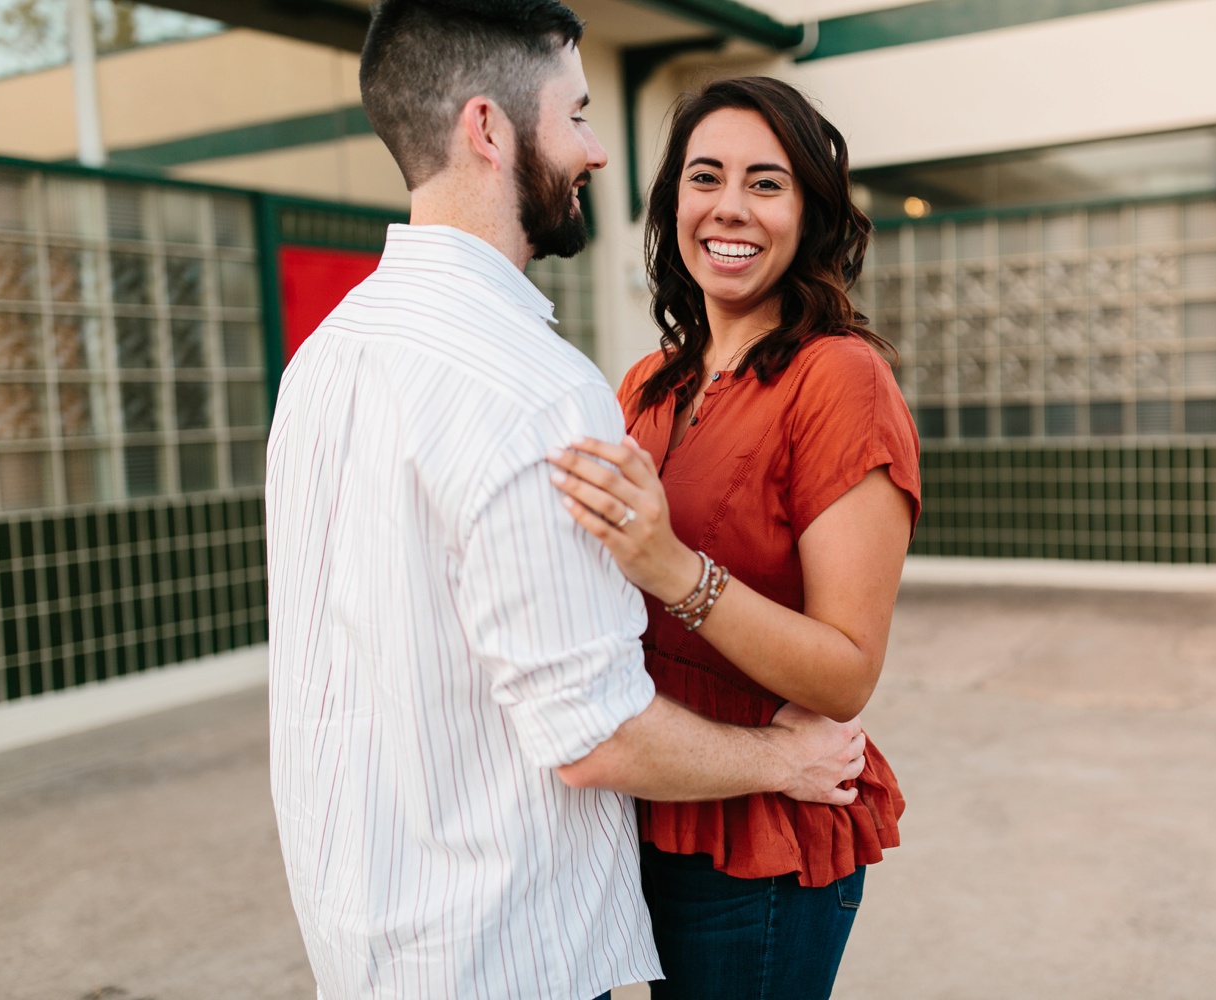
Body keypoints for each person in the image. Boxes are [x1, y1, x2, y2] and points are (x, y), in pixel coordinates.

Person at [265, 6, 869, 999]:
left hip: (362, 933)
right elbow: (596, 735)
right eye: (577, 113)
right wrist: (781, 759)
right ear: (488, 128)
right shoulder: (545, 388)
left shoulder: (322, 360)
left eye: (767, 182)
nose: (596, 150)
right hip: (496, 947)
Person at [547, 76, 921, 999]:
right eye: (706, 176)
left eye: (767, 183)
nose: (729, 207)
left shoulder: (839, 379)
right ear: (672, 202)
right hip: (645, 798)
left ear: (810, 214)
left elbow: (846, 673)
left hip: (760, 839)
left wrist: (673, 569)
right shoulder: (648, 382)